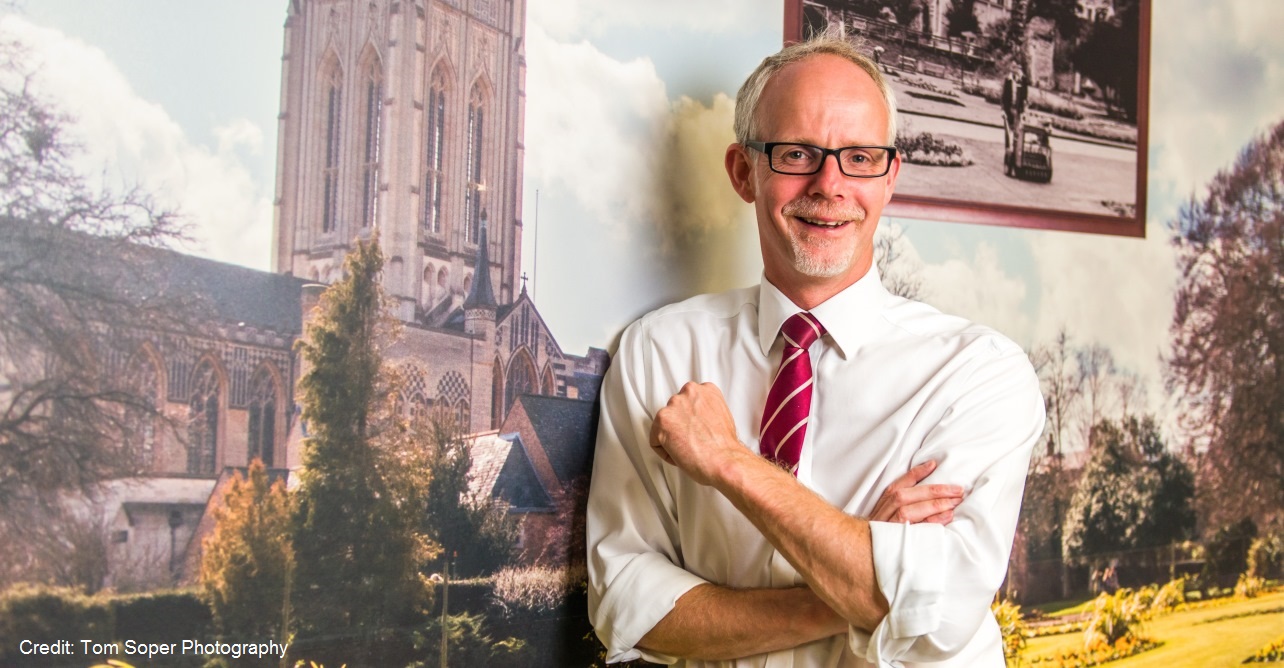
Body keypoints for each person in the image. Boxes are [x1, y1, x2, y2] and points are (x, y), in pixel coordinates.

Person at [586, 31, 1044, 668]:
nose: (829, 185)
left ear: (889, 179)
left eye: (859, 157)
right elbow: (629, 604)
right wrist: (859, 579)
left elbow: (937, 615)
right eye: (798, 153)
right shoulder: (658, 353)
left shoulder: (978, 375)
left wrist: (728, 462)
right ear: (744, 172)